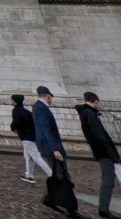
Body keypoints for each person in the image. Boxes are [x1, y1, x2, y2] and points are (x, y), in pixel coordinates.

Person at [33, 85, 87, 219]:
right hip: (51, 148)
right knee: (63, 177)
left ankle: (47, 197)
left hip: (48, 147)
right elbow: (46, 130)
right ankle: (71, 210)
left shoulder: (38, 107)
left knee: (58, 175)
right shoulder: (41, 108)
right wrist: (55, 149)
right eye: (50, 97)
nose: (51, 100)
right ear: (47, 96)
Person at [11, 93, 51, 183]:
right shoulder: (27, 112)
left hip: (26, 137)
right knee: (28, 157)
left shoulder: (16, 111)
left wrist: (13, 128)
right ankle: (29, 175)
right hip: (31, 136)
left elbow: (16, 121)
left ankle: (51, 174)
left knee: (36, 157)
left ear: (15, 101)